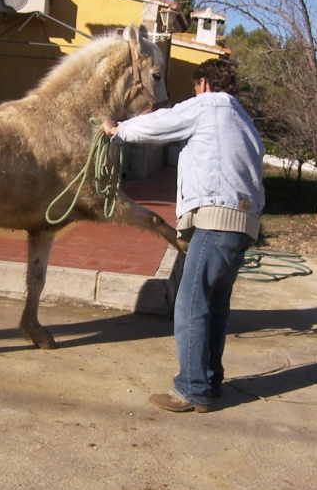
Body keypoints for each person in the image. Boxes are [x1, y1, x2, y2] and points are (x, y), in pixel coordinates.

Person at [103, 58, 265, 413]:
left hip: (216, 219)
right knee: (214, 305)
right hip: (245, 223)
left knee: (191, 303)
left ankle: (192, 389)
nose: (194, 93)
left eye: (194, 87)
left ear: (204, 83)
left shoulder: (208, 105)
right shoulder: (243, 119)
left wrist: (118, 130)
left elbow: (161, 124)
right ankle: (209, 380)